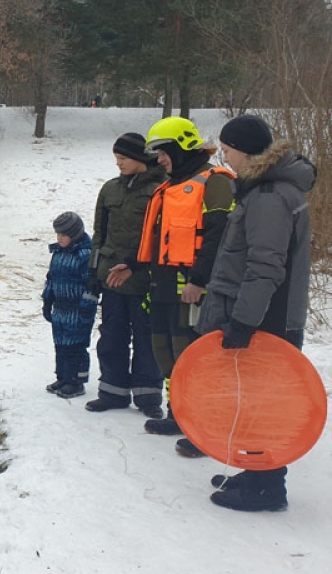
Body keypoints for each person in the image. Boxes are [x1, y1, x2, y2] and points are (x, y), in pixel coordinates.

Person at [196, 114, 316, 512]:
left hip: (265, 319)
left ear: (247, 152)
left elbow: (265, 265)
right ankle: (257, 471)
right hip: (261, 315)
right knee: (251, 400)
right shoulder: (266, 191)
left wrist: (244, 321)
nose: (226, 159)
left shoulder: (269, 197)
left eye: (229, 151)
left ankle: (267, 487)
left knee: (263, 402)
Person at [135, 117, 235, 456]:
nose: (159, 160)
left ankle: (203, 428)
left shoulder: (214, 182)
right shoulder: (169, 187)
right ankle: (179, 414)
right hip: (163, 287)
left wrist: (198, 280)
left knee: (192, 359)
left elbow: (217, 236)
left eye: (162, 153)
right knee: (167, 356)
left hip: (192, 291)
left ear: (180, 147)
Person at [84, 133, 166, 417]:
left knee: (146, 337)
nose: (119, 163)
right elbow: (99, 233)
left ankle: (148, 397)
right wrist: (94, 271)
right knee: (111, 335)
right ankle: (112, 392)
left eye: (124, 158)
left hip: (145, 280)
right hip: (111, 278)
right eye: (116, 159)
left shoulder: (161, 189)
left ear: (141, 158)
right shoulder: (110, 189)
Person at [42, 212, 99, 398]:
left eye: (63, 235)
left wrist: (86, 309)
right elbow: (51, 279)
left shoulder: (84, 255)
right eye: (57, 235)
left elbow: (91, 286)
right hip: (59, 307)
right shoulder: (58, 253)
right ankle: (63, 377)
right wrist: (47, 300)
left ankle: (76, 381)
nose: (59, 239)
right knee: (60, 344)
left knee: (76, 345)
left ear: (74, 235)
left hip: (77, 309)